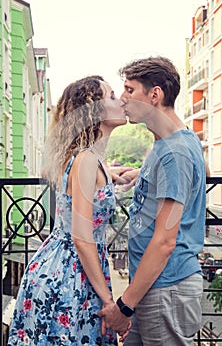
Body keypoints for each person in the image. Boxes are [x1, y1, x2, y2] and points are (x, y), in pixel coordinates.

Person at [7, 76, 130, 345]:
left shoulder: (89, 158)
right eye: (111, 96)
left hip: (67, 268)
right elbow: (82, 238)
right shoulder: (86, 160)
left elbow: (90, 184)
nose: (120, 100)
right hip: (69, 275)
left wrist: (117, 176)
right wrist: (111, 305)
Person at [99, 56, 206, 346]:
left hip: (167, 288)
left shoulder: (175, 154)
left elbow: (165, 242)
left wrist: (124, 306)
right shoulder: (172, 143)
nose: (122, 99)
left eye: (130, 90)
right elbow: (194, 173)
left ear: (155, 95)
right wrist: (145, 174)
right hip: (152, 288)